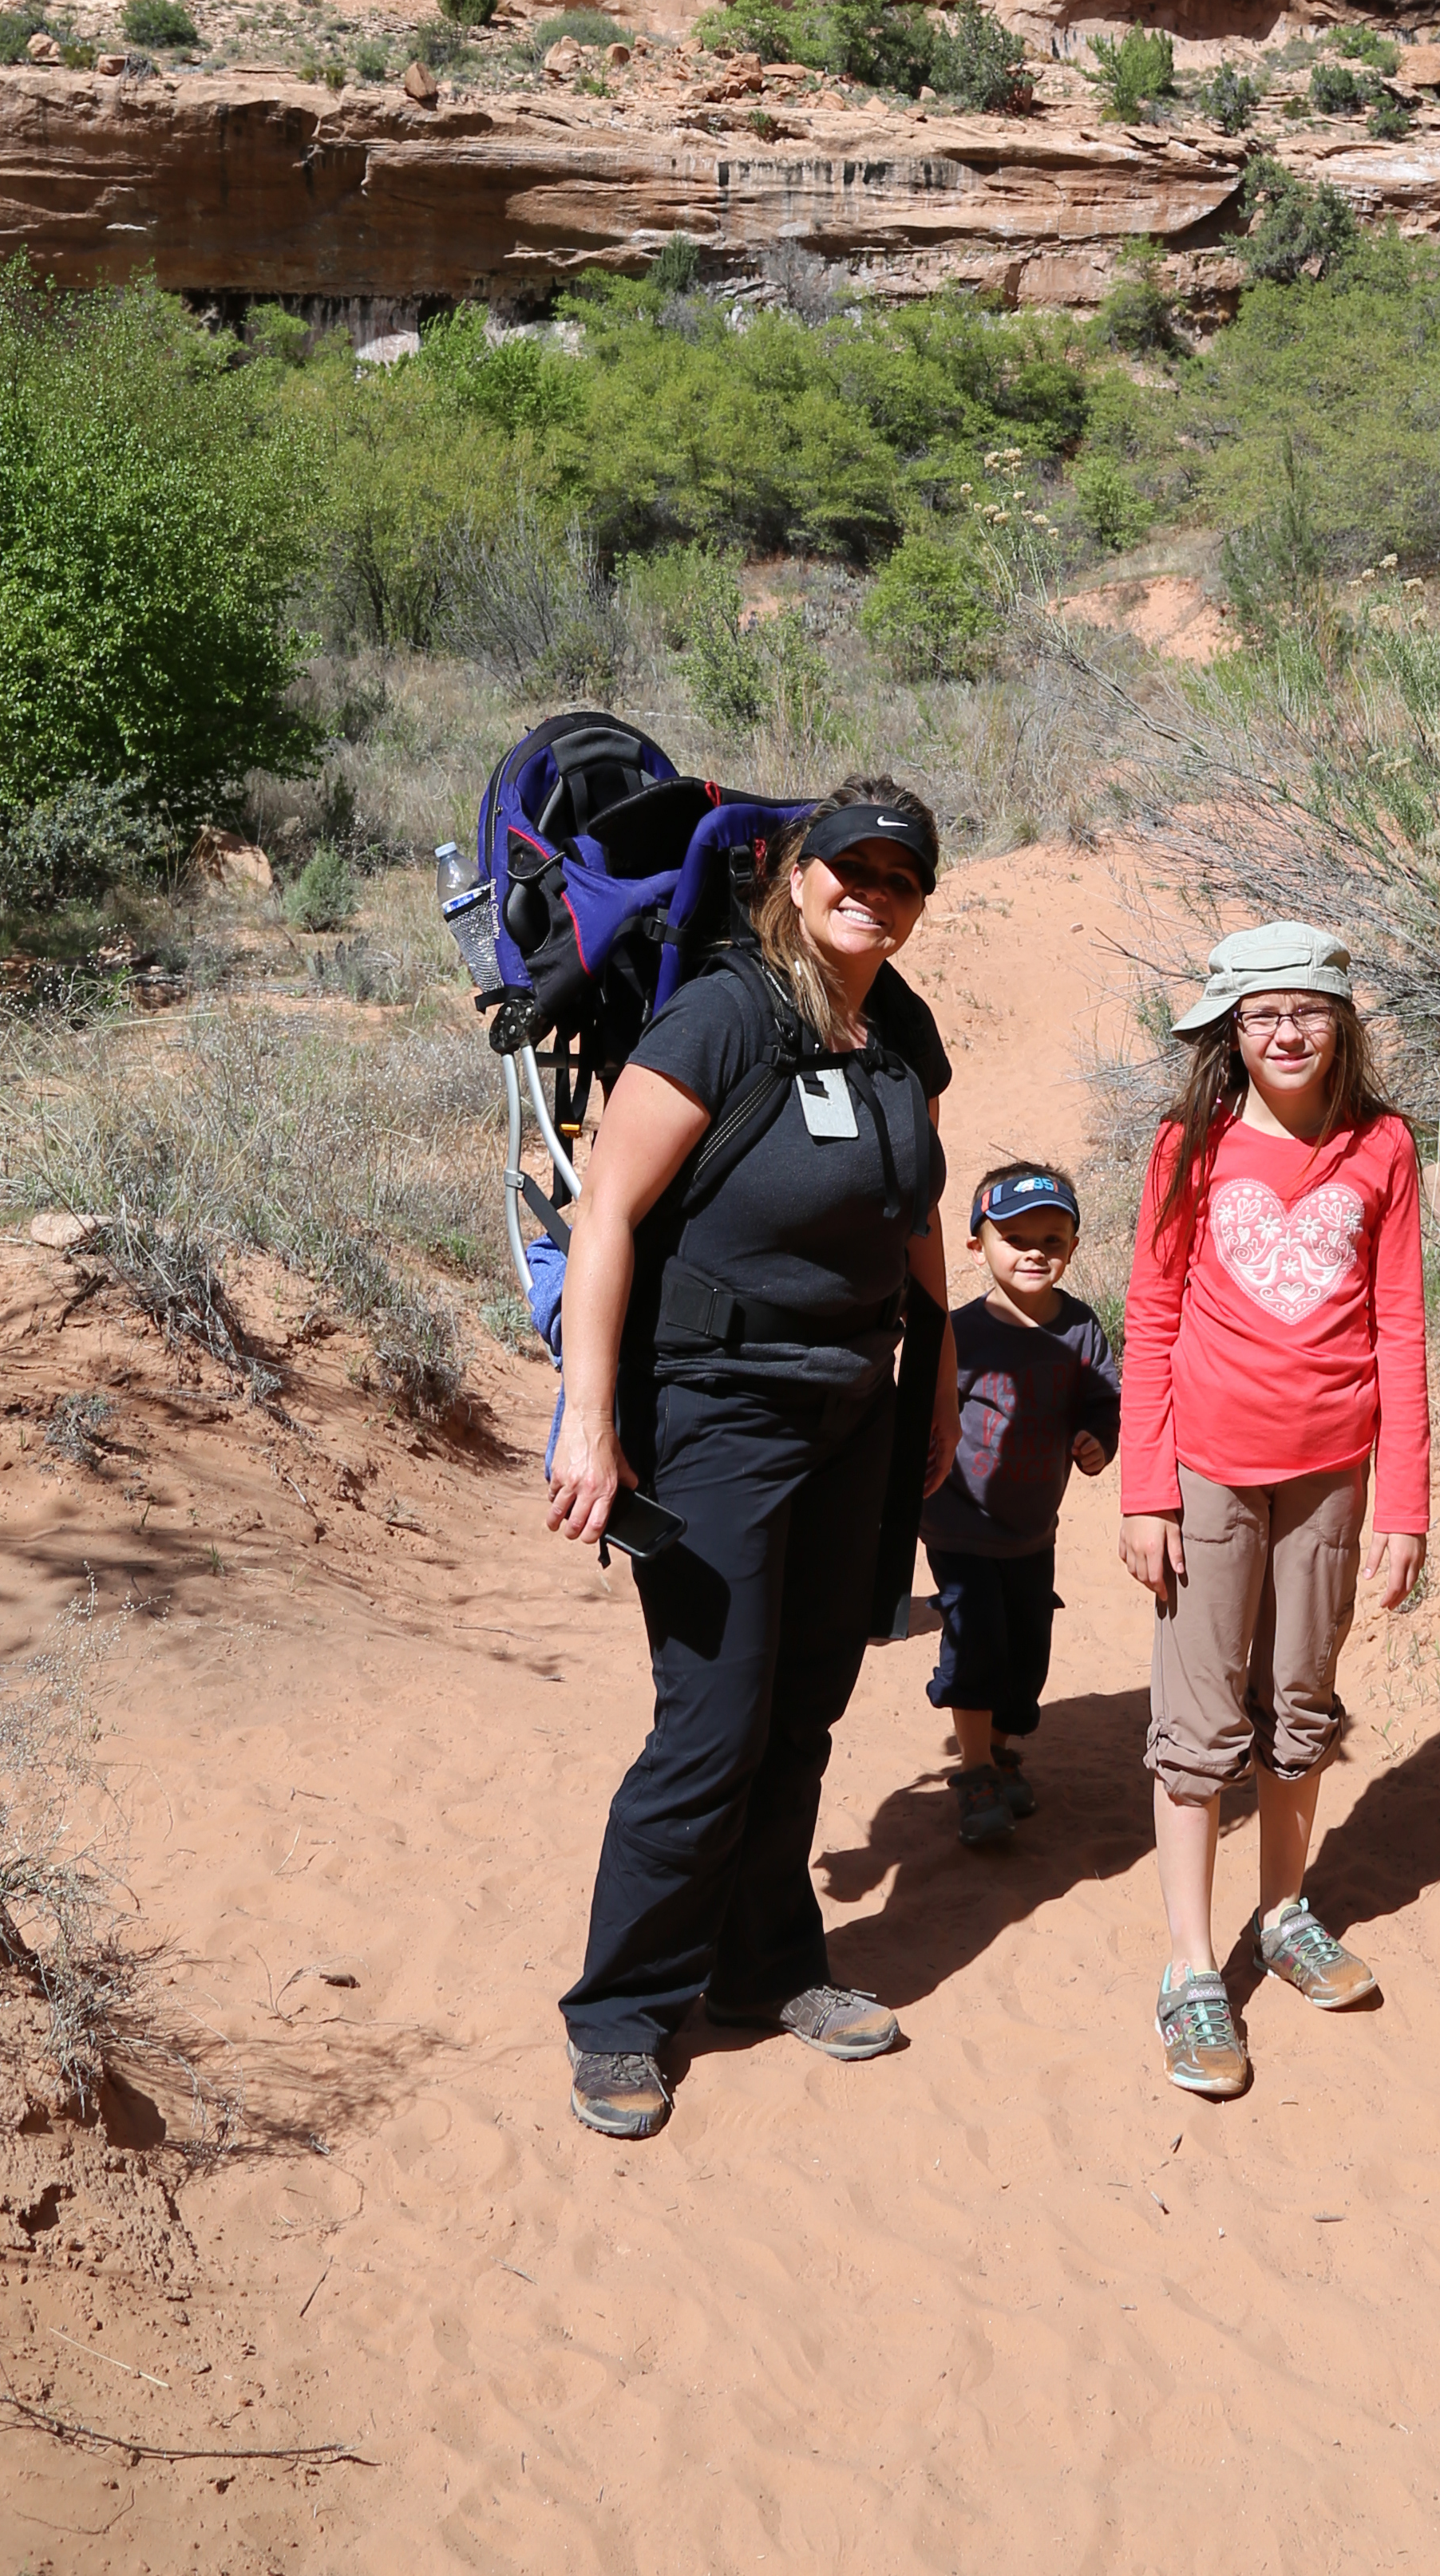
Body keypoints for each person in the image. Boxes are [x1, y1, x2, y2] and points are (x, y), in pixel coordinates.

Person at [545, 777, 959, 2142]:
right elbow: (608, 1207)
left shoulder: (898, 1028)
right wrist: (589, 1416)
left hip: (855, 1402)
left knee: (803, 1708)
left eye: (900, 876)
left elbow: (913, 1215)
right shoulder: (723, 1012)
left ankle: (767, 1962)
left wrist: (938, 1375)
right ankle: (620, 2010)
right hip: (716, 1405)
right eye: (850, 867)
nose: (873, 891)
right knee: (713, 1720)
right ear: (793, 874)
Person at [1118, 920, 1428, 2100]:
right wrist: (1146, 1490)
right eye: (1261, 1015)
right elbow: (1150, 1318)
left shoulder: (1384, 1148)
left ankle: (1282, 1914)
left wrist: (1404, 1502)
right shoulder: (1186, 1147)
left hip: (1334, 1474)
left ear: (1341, 1022)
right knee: (1199, 1722)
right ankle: (1192, 1968)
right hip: (1204, 1471)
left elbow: (1399, 1326)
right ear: (1230, 1032)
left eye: (1306, 1011)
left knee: (1301, 1697)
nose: (1286, 1033)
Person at [916, 1160, 1120, 1846]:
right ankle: (975, 1774)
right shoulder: (958, 1331)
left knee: (1026, 1651)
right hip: (959, 1521)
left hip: (1033, 1529)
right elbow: (919, 1408)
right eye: (1014, 1238)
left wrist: (1098, 1438)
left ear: (1073, 1247)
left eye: (1052, 1240)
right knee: (977, 1644)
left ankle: (1000, 1754)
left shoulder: (1082, 1331)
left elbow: (1104, 1401)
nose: (1035, 1252)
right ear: (978, 1246)